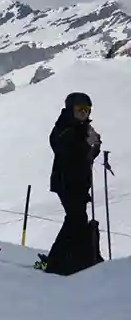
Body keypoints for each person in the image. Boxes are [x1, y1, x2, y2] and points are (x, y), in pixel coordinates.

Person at [42, 92, 103, 275]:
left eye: (87, 110)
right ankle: (58, 261)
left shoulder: (82, 128)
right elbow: (67, 152)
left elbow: (86, 157)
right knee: (75, 220)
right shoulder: (63, 128)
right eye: (80, 109)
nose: (84, 113)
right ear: (71, 109)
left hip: (79, 183)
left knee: (77, 220)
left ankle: (71, 259)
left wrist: (95, 145)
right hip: (66, 182)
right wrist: (87, 143)